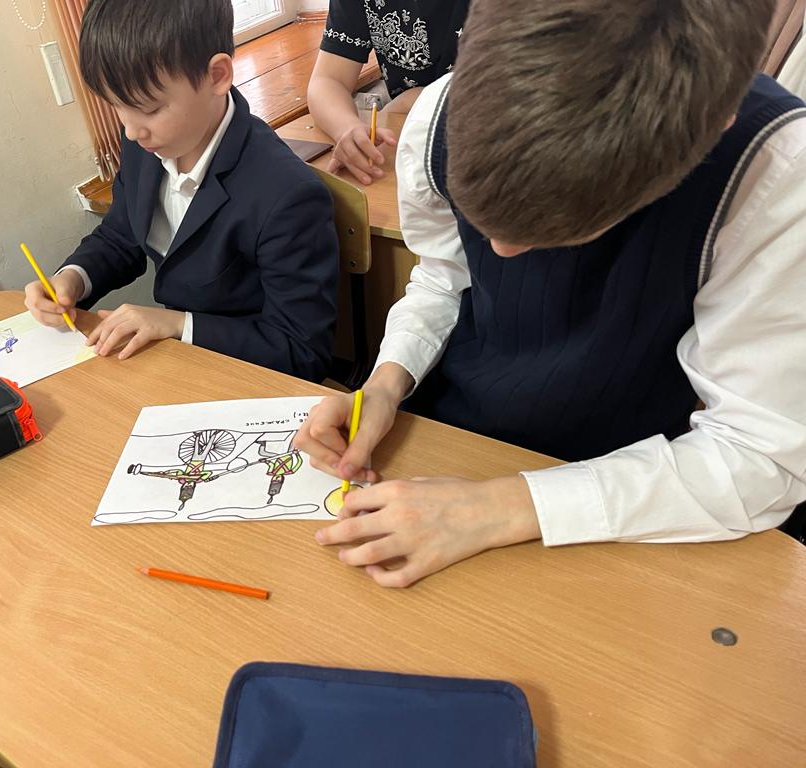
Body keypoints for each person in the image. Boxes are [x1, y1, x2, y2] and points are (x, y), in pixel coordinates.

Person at [295, 0, 806, 586]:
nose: (499, 251)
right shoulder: (439, 111)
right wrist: (387, 383)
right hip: (459, 435)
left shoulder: (776, 173)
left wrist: (496, 508)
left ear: (711, 131)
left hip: (636, 489)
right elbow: (444, 276)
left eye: (555, 230)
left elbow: (759, 454)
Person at [25, 0, 339, 382]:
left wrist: (177, 325)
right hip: (177, 369)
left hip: (248, 379)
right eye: (116, 106)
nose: (131, 130)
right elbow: (122, 236)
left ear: (217, 75)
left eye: (149, 109)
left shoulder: (286, 194)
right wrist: (74, 279)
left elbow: (302, 352)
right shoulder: (147, 144)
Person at [307, 0, 470, 185]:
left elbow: (489, 94)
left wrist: (411, 101)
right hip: (410, 147)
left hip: (477, 142)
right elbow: (328, 80)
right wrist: (347, 128)